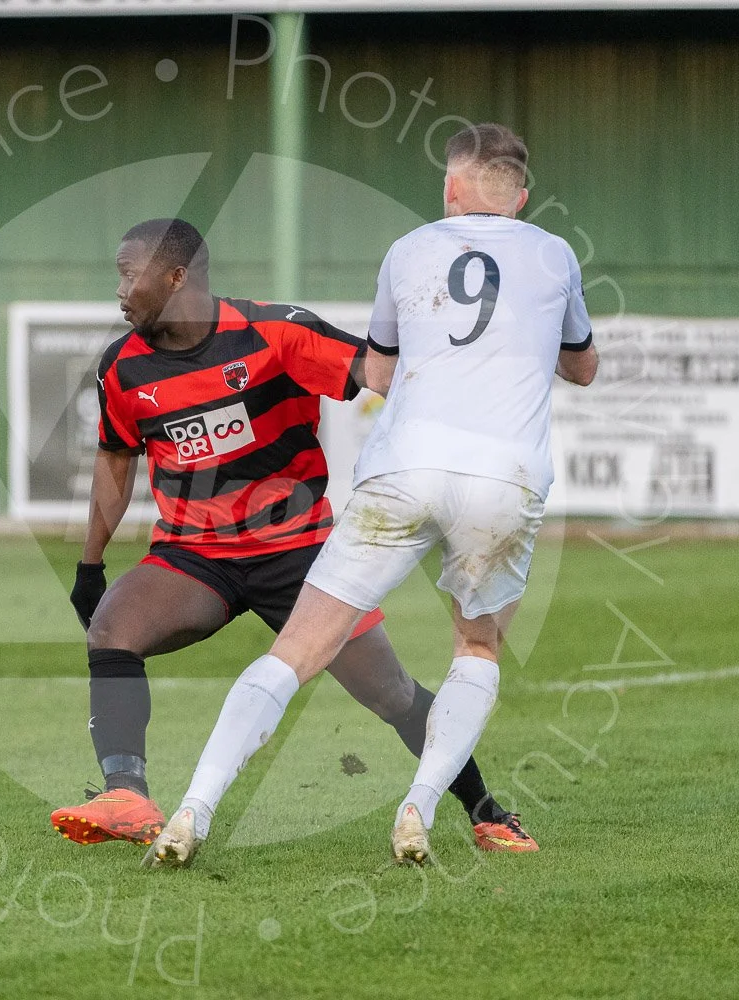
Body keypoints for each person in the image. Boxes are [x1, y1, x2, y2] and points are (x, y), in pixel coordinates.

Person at [147, 124, 599, 868]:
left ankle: (193, 809)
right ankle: (418, 808)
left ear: (451, 187)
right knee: (476, 645)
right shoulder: (554, 253)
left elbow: (379, 374)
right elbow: (582, 369)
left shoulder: (407, 251)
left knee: (298, 648)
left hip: (404, 469)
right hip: (504, 478)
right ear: (521, 197)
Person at [49, 217, 537, 854]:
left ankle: (486, 810)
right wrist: (91, 566)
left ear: (174, 278)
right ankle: (128, 795)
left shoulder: (275, 332)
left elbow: (380, 374)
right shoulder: (123, 368)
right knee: (113, 629)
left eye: (127, 274)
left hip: (300, 554)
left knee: (390, 693)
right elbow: (115, 462)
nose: (118, 289)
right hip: (194, 557)